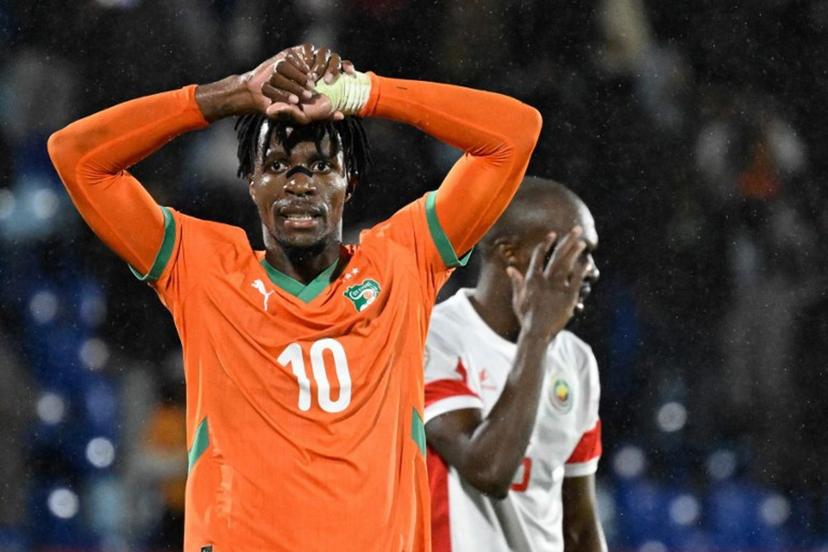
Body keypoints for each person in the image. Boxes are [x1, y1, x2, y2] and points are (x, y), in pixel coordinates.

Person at [47, 44, 541, 551]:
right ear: (251, 184)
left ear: (349, 184)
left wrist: (364, 92)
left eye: (322, 166)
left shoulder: (403, 261)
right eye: (278, 165)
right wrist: (231, 95)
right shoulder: (202, 268)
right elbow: (76, 156)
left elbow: (514, 134)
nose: (300, 183)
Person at [424, 177, 606, 551]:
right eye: (576, 250)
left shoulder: (576, 360)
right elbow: (488, 469)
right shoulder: (433, 338)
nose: (591, 270)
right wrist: (536, 335)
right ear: (510, 252)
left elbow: (580, 527)